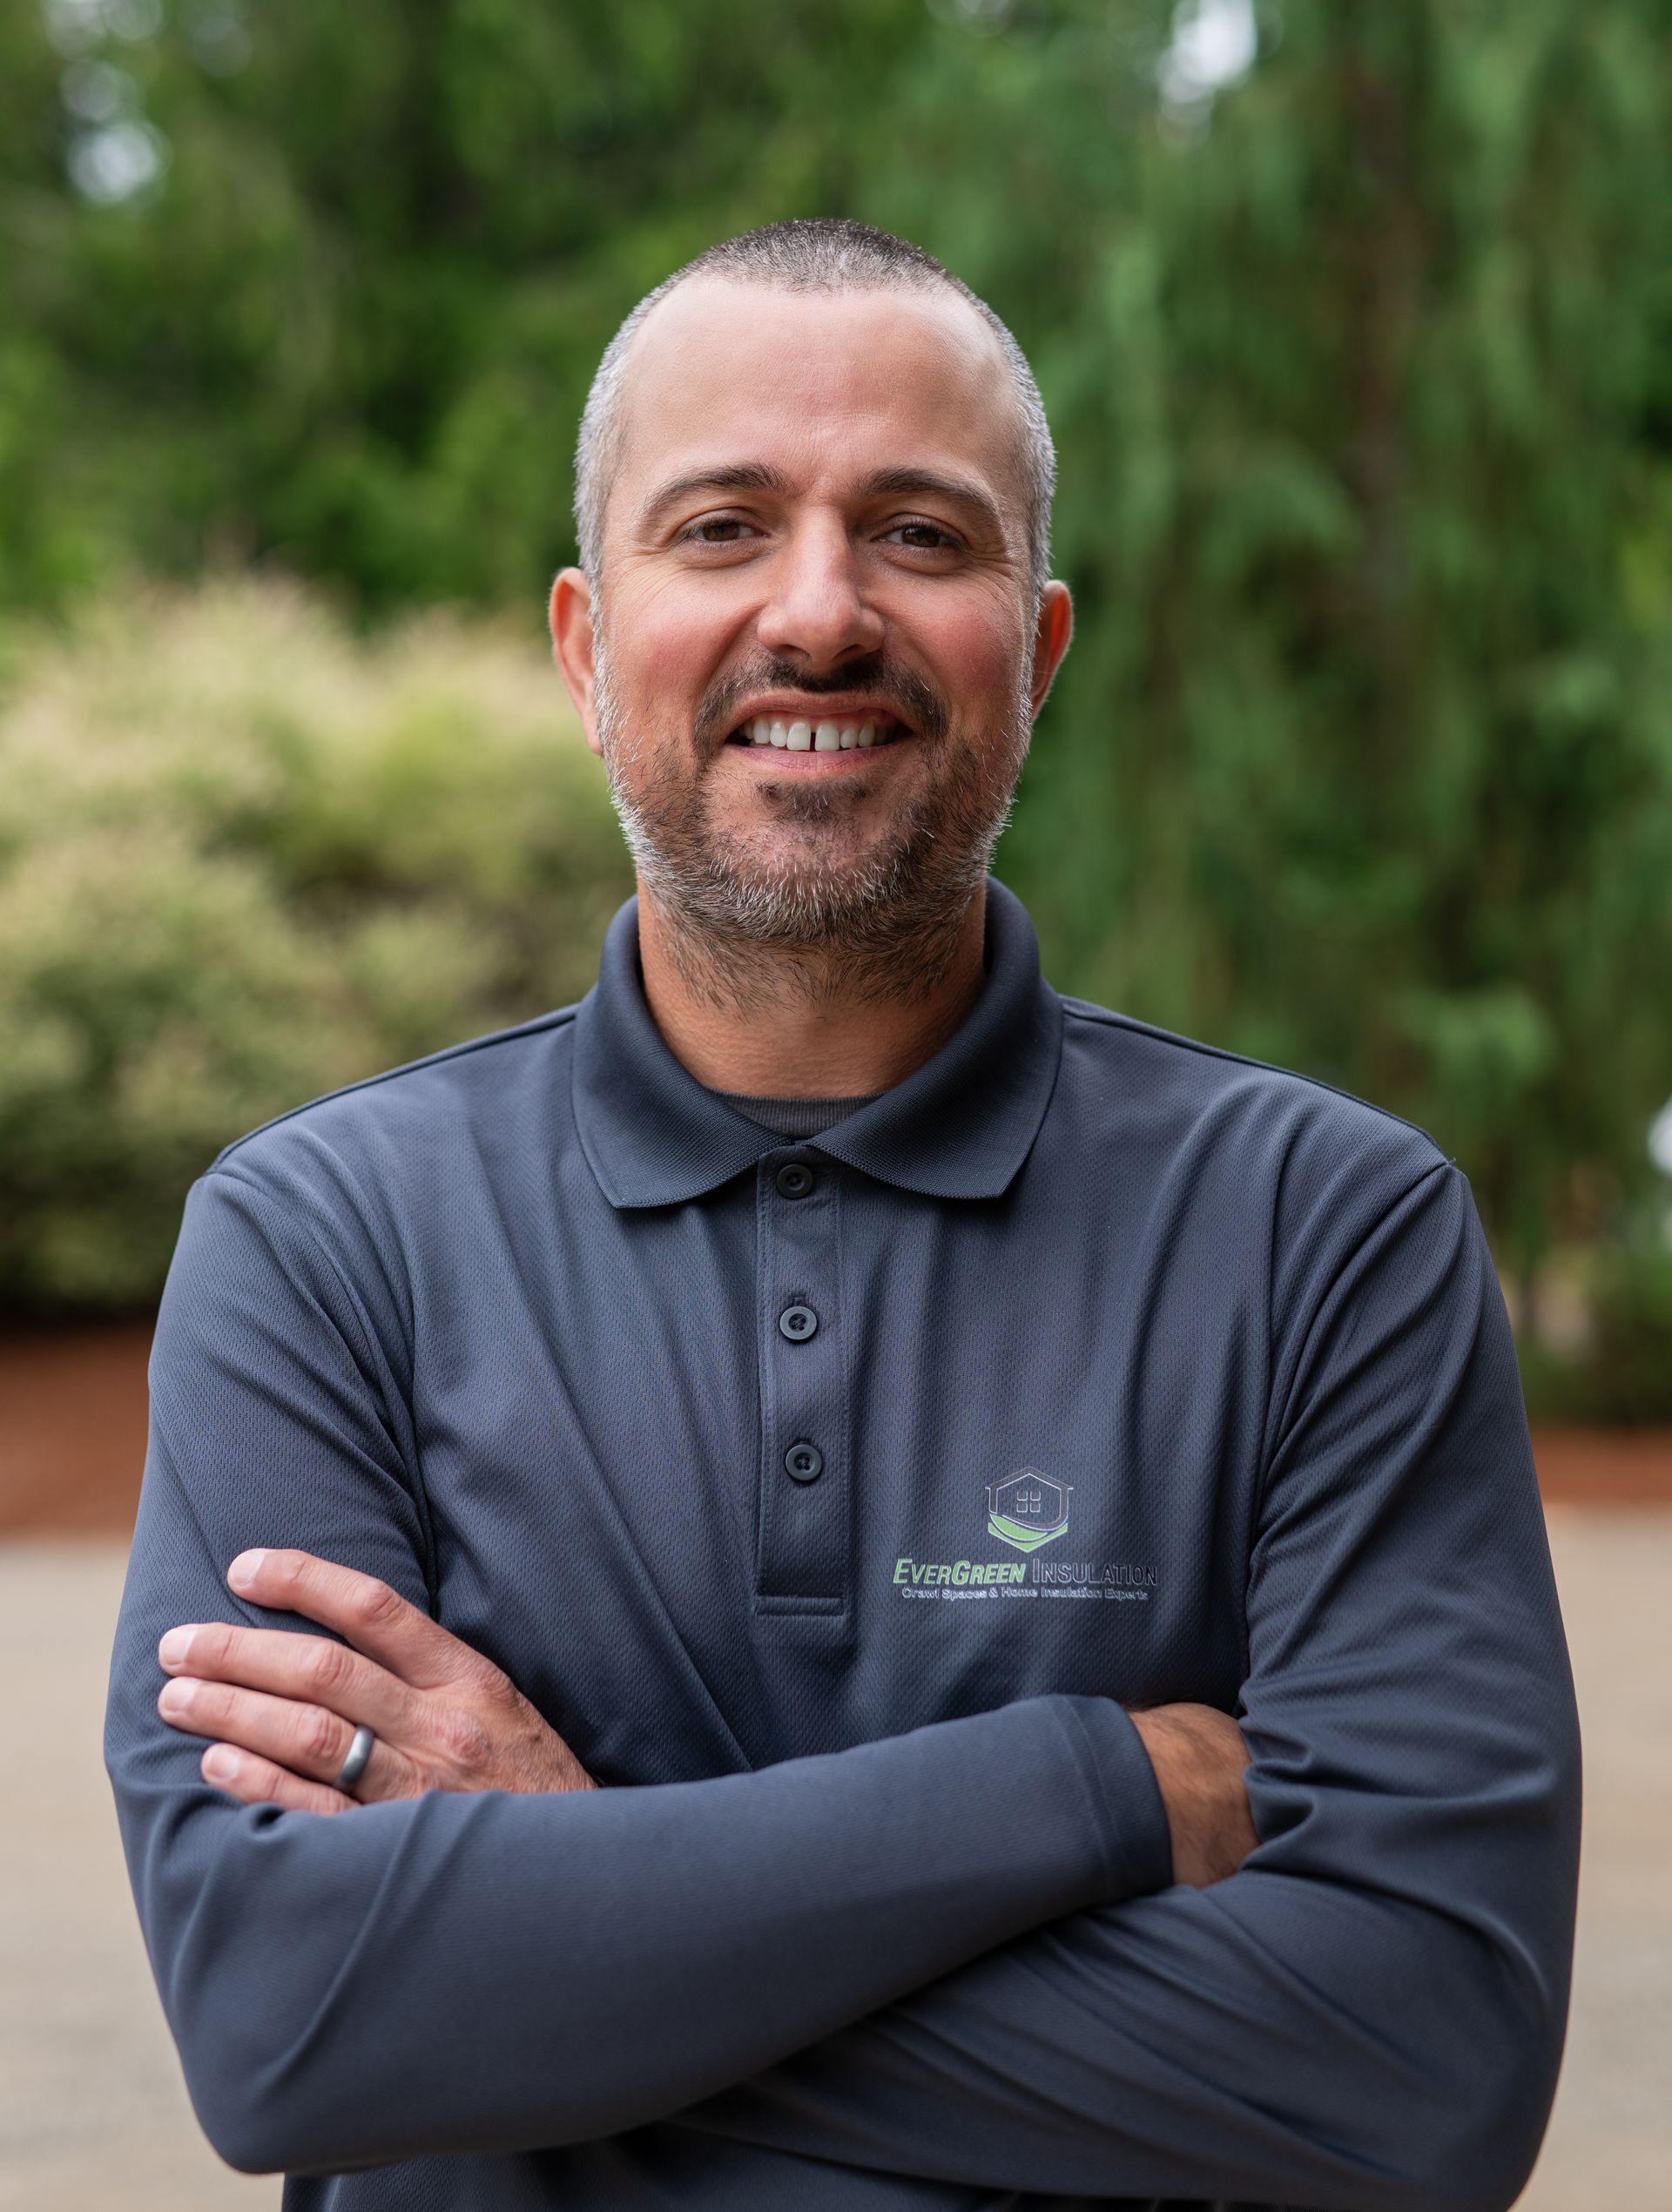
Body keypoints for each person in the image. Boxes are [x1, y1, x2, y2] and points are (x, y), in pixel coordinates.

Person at [105, 219, 1581, 2212]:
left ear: (1036, 650)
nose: (818, 614)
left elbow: (1426, 2067)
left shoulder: (1330, 1232)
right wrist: (1101, 1786)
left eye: (920, 533)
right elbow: (288, 2022)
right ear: (583, 640)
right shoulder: (321, 1239)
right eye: (720, 527)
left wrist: (562, 1925)